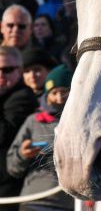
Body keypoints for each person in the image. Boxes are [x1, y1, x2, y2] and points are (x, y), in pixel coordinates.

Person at [7, 64, 74, 211]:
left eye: (65, 91)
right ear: (47, 95)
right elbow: (12, 167)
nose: (59, 97)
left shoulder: (82, 122)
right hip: (33, 201)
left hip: (68, 203)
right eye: (54, 92)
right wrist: (22, 155)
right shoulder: (33, 121)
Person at [0, 46, 38, 211]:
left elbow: (3, 134)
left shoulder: (22, 96)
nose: (1, 74)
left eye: (7, 70)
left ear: (20, 71)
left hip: (10, 184)